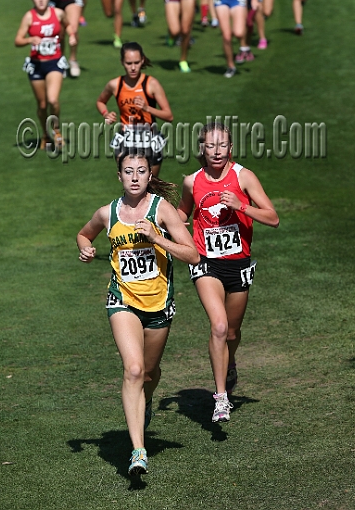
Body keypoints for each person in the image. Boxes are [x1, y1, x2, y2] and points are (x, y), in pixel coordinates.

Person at [77, 152, 199, 475]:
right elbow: (84, 233)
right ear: (119, 176)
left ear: (149, 175)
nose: (134, 177)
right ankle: (138, 451)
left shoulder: (163, 211)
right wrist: (85, 249)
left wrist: (158, 238)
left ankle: (142, 407)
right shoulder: (108, 214)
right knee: (133, 369)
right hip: (123, 301)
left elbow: (193, 256)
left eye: (141, 171)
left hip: (159, 305)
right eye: (128, 171)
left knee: (148, 374)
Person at [177, 122, 279, 423]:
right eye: (211, 145)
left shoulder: (243, 177)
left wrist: (242, 206)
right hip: (205, 262)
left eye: (222, 145)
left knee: (232, 332)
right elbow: (183, 210)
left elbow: (273, 218)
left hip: (239, 263)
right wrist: (175, 223)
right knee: (219, 326)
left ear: (230, 148)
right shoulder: (191, 181)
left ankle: (230, 362)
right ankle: (221, 398)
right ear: (203, 150)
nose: (217, 151)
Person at [96, 42, 173, 177]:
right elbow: (100, 101)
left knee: (151, 186)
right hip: (126, 139)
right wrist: (106, 114)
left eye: (137, 63)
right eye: (128, 63)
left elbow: (169, 116)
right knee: (130, 184)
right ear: (122, 62)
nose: (133, 68)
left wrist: (146, 108)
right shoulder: (115, 84)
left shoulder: (151, 84)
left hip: (149, 139)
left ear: (142, 60)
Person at [14, 0, 74, 149]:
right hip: (36, 64)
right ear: (33, 0)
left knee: (53, 100)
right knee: (42, 105)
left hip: (54, 62)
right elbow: (17, 40)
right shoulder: (29, 17)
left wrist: (72, 36)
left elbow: (68, 25)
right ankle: (45, 134)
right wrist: (29, 40)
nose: (40, 0)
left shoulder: (58, 13)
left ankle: (56, 130)